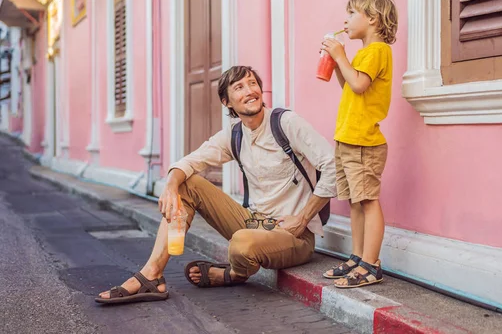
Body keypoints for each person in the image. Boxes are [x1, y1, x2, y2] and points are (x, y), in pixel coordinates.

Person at [95, 65, 336, 304]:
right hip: (255, 222)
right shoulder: (235, 134)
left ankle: (232, 274)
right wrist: (170, 187)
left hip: (294, 233)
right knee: (186, 184)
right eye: (239, 87)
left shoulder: (286, 123)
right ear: (227, 102)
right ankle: (152, 275)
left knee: (241, 244)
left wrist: (303, 218)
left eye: (253, 83)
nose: (250, 91)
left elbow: (334, 167)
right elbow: (191, 161)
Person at [320, 0, 398, 288]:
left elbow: (359, 83)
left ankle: (371, 264)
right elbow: (350, 85)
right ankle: (357, 256)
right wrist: (336, 61)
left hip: (365, 141)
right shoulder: (363, 54)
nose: (345, 20)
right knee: (355, 202)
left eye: (351, 13)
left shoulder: (378, 50)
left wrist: (341, 55)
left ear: (372, 19)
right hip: (349, 138)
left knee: (368, 201)